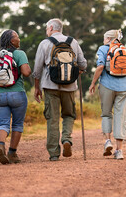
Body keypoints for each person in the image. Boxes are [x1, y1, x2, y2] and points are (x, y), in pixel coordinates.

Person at [33, 18, 87, 161]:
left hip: (50, 86)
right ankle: (67, 140)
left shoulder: (44, 43)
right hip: (70, 87)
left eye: (46, 28)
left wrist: (36, 87)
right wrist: (79, 70)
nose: (46, 31)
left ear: (51, 28)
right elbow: (83, 64)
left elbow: (37, 69)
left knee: (52, 118)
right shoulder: (73, 42)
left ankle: (54, 153)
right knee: (69, 115)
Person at [89, 29, 126, 160]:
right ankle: (119, 151)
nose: (103, 40)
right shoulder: (124, 49)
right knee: (120, 116)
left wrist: (93, 83)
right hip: (124, 87)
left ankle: (108, 141)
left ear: (108, 39)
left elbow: (100, 67)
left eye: (104, 38)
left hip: (107, 85)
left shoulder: (102, 49)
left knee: (106, 114)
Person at [0, 29, 31, 164]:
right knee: (18, 124)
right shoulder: (20, 54)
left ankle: (1, 144)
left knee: (3, 124)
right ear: (11, 41)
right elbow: (26, 72)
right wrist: (29, 69)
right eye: (17, 37)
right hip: (17, 94)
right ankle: (12, 153)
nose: (19, 39)